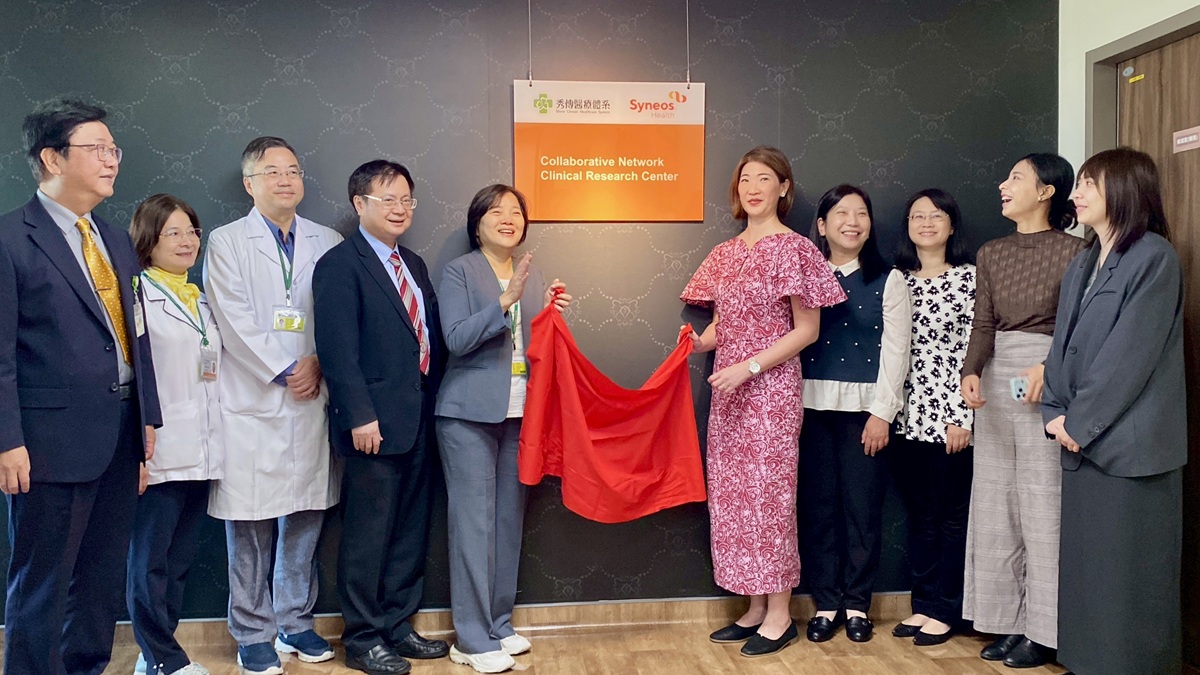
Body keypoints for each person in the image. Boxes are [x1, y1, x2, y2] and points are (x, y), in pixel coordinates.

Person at [0, 97, 161, 675]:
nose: (111, 159)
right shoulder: (10, 238)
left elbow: (136, 338)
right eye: (97, 149)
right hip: (46, 443)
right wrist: (6, 441)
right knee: (43, 582)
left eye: (114, 149)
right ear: (52, 158)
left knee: (100, 581)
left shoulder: (114, 239)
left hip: (119, 435)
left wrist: (147, 420)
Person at [682, 146, 846, 658]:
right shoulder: (725, 253)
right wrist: (702, 343)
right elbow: (724, 322)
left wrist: (749, 367)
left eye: (764, 178)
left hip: (770, 392)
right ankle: (753, 608)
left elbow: (807, 329)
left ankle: (780, 614)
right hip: (728, 391)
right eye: (745, 179)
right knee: (734, 499)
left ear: (783, 188)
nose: (753, 188)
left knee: (769, 500)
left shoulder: (795, 248)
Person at [1042, 147, 1185, 675]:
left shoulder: (1153, 257)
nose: (1076, 194)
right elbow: (1062, 346)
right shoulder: (1084, 260)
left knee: (1129, 577)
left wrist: (1077, 423)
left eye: (1088, 184)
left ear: (1123, 189)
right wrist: (1053, 411)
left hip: (1130, 449)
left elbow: (1128, 357)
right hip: (1080, 441)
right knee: (1089, 573)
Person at [203, 136, 341, 675]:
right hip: (253, 398)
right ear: (249, 183)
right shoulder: (226, 241)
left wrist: (318, 361)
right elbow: (231, 317)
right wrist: (285, 369)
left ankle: (294, 621)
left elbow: (337, 313)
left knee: (305, 515)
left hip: (312, 395)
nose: (286, 179)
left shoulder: (327, 240)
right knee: (250, 524)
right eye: (272, 171)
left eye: (293, 170)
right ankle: (252, 631)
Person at [313, 160, 450, 675]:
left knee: (409, 531)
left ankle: (397, 625)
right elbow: (337, 349)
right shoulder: (339, 265)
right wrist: (359, 416)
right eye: (387, 199)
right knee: (367, 536)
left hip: (418, 418)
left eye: (406, 200)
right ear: (359, 204)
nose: (400, 209)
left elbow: (426, 337)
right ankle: (363, 638)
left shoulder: (411, 262)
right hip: (370, 426)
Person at [958, 154, 1088, 668]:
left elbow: (1079, 326)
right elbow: (983, 320)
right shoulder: (992, 251)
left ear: (1047, 191)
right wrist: (971, 370)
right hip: (997, 379)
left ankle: (1045, 630)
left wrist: (1049, 368)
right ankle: (1008, 622)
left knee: (1042, 503)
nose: (1003, 184)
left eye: (1015, 177)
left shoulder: (1078, 250)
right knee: (996, 503)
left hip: (1046, 377)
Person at [435, 185, 570, 673]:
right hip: (467, 415)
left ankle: (497, 623)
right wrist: (504, 302)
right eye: (496, 211)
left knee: (508, 522)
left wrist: (548, 311)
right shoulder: (460, 271)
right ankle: (470, 639)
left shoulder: (532, 274)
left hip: (521, 413)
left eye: (516, 211)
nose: (508, 218)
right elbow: (455, 339)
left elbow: (535, 347)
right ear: (478, 224)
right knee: (473, 526)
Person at [799, 184, 911, 644]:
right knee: (818, 510)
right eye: (841, 213)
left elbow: (897, 351)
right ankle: (826, 604)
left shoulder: (889, 280)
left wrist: (882, 413)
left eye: (861, 213)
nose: (852, 221)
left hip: (865, 414)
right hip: (807, 410)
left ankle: (857, 605)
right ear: (822, 226)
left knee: (863, 512)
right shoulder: (804, 277)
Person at [125, 194, 224, 675]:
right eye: (174, 233)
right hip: (158, 452)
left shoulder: (198, 296)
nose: (187, 242)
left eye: (192, 232)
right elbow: (133, 377)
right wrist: (136, 452)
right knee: (150, 562)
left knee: (178, 561)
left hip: (201, 450)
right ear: (149, 241)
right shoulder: (135, 295)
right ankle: (162, 657)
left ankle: (155, 657)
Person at [890, 188, 975, 647]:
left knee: (951, 518)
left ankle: (948, 609)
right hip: (906, 417)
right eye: (917, 216)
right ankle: (923, 605)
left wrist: (963, 417)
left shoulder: (970, 278)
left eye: (936, 215)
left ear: (951, 224)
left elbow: (978, 351)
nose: (926, 223)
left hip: (951, 418)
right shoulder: (897, 280)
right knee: (920, 516)